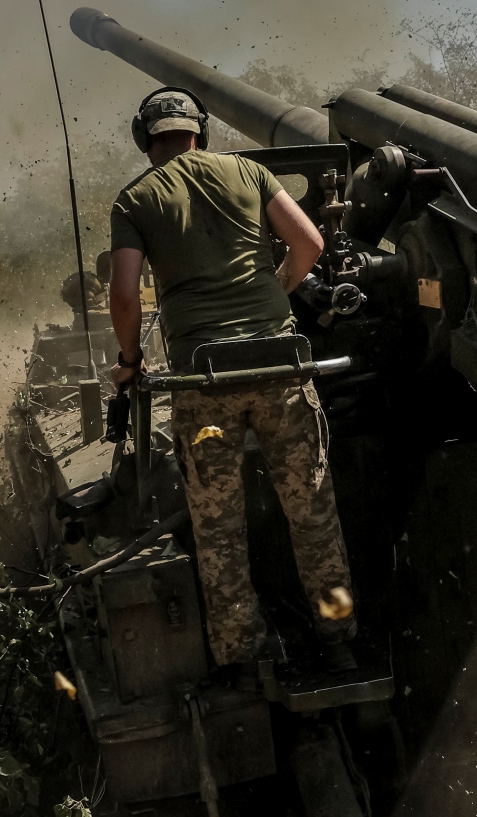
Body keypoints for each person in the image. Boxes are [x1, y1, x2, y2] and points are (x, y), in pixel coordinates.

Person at [106, 87, 355, 674]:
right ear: (201, 130)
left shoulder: (135, 199)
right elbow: (311, 243)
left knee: (219, 530)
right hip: (282, 366)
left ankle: (243, 657)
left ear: (147, 139)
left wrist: (130, 361)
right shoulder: (246, 170)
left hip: (205, 379)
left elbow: (123, 295)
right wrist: (280, 293)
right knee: (314, 514)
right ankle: (340, 640)